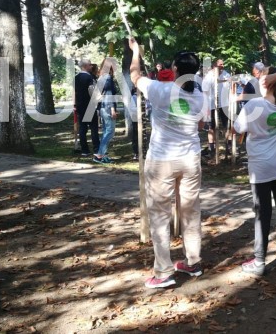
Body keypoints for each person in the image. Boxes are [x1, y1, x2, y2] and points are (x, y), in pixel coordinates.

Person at [129, 39, 208, 289]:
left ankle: (163, 272)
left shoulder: (160, 90)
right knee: (190, 211)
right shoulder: (199, 94)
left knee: (160, 215)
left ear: (174, 68)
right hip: (190, 159)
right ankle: (192, 262)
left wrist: (135, 53)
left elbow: (135, 76)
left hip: (162, 160)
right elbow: (201, 126)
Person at [233, 67, 276, 276]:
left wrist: (273, 77)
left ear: (268, 83)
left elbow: (238, 129)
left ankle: (259, 261)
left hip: (261, 168)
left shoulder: (255, 105)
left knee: (262, 214)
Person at [202, 58, 233, 156]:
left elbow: (231, 87)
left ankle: (229, 147)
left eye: (223, 64)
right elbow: (205, 91)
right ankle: (212, 148)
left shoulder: (226, 74)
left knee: (227, 126)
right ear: (214, 66)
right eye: (220, 64)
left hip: (224, 104)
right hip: (211, 104)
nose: (222, 66)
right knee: (212, 127)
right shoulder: (209, 76)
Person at [94, 58, 119, 164]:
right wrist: (113, 109)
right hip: (108, 107)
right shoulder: (108, 78)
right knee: (110, 132)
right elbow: (109, 95)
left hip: (102, 108)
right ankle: (100, 155)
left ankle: (102, 154)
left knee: (106, 132)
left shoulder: (101, 77)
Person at [74, 59, 100, 156]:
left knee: (82, 128)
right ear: (85, 66)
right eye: (90, 65)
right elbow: (92, 91)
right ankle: (97, 149)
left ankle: (84, 150)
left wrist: (75, 104)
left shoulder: (76, 78)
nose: (91, 66)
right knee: (93, 128)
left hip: (80, 106)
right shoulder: (89, 78)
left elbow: (74, 93)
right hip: (89, 105)